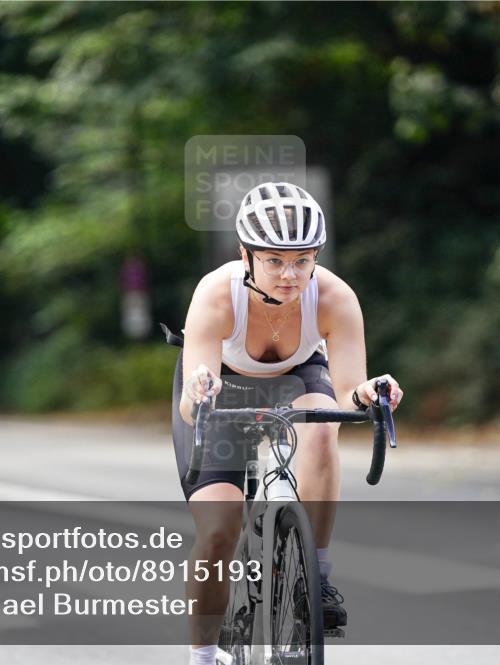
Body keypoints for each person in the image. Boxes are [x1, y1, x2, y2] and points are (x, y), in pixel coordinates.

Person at [171, 182, 403, 664]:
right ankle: (203, 655)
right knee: (218, 532)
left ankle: (316, 576)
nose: (289, 274)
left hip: (296, 378)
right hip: (221, 389)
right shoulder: (217, 294)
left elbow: (347, 391)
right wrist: (200, 391)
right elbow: (193, 406)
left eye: (302, 260)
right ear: (246, 254)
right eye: (274, 260)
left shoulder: (334, 297)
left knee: (321, 428)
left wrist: (369, 392)